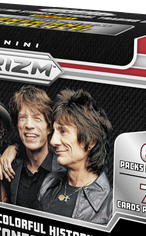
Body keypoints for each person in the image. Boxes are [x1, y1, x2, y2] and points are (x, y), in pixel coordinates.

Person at [34, 89, 113, 224]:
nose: (53, 141)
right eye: (54, 131)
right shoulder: (48, 183)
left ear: (90, 141)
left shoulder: (111, 205)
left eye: (63, 131)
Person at [0, 85, 65, 208]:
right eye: (22, 117)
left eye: (37, 118)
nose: (29, 125)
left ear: (49, 127)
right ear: (17, 125)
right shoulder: (11, 165)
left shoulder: (64, 170)